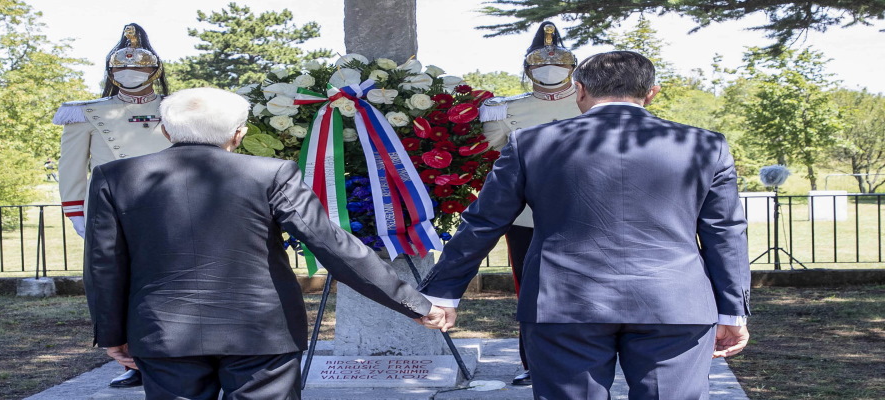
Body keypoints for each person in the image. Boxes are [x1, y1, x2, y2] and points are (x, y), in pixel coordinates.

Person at [418, 51, 751, 399]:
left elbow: (485, 221)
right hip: (674, 301)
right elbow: (725, 232)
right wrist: (732, 310)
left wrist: (444, 292)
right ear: (652, 92)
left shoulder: (531, 143)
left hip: (565, 302)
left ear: (578, 90)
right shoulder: (706, 145)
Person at [84, 87, 447, 400]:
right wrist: (414, 302)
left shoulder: (115, 177)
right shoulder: (271, 173)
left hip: (163, 330)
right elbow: (332, 245)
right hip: (260, 331)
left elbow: (105, 262)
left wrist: (112, 332)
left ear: (164, 130)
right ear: (238, 133)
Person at [51, 23, 172, 388]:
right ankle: (135, 361)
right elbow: (70, 169)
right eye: (120, 69)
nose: (129, 74)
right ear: (110, 73)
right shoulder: (84, 112)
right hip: (113, 211)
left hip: (173, 206)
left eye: (137, 68)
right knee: (121, 285)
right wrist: (77, 214)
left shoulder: (178, 107)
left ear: (156, 71)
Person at [477, 21, 582, 387]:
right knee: (531, 291)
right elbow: (491, 156)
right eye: (540, 67)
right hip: (527, 216)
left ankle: (585, 358)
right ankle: (533, 362)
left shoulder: (595, 104)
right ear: (528, 70)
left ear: (572, 68)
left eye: (556, 66)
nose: (548, 71)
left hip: (587, 213)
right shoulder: (503, 109)